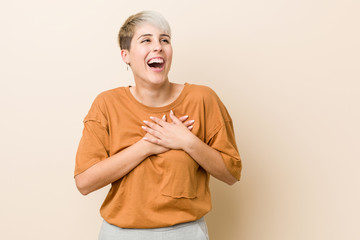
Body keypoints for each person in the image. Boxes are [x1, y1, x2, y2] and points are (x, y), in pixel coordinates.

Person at [74, 10, 242, 240]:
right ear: (126, 55)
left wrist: (187, 141)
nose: (158, 46)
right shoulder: (106, 104)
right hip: (119, 234)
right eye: (146, 40)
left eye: (165, 40)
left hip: (187, 233)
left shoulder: (203, 99)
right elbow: (84, 182)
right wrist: (147, 146)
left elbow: (231, 174)